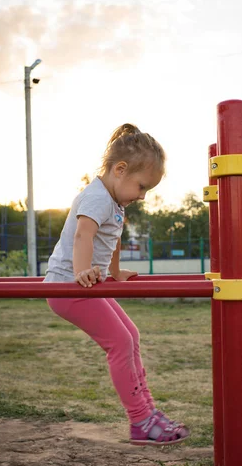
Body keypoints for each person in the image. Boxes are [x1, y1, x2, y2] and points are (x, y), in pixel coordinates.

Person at [44, 123, 189, 446]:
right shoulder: (96, 197)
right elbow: (85, 235)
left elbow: (113, 238)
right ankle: (140, 420)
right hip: (69, 286)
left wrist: (114, 271)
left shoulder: (115, 203)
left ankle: (149, 411)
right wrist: (82, 271)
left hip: (86, 284)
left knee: (131, 335)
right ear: (119, 170)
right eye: (141, 187)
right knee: (120, 343)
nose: (142, 196)